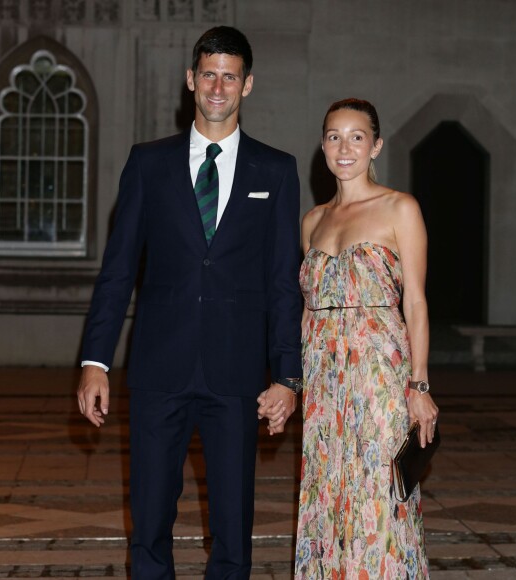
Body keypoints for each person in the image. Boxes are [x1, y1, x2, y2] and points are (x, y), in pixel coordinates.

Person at [76, 26, 302, 580]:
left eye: (230, 76)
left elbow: (281, 282)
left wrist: (288, 378)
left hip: (237, 376)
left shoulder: (275, 170)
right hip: (159, 370)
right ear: (190, 80)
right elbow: (118, 270)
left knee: (233, 528)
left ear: (247, 84)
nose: (218, 87)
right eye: (208, 74)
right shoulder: (148, 164)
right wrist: (94, 361)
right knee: (148, 522)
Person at [294, 98, 439, 579]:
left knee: (379, 500)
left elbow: (415, 302)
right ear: (322, 146)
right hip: (323, 382)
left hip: (378, 376)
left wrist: (418, 387)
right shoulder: (312, 221)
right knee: (327, 495)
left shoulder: (400, 207)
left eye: (357, 136)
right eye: (334, 136)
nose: (345, 147)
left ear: (375, 145)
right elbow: (307, 309)